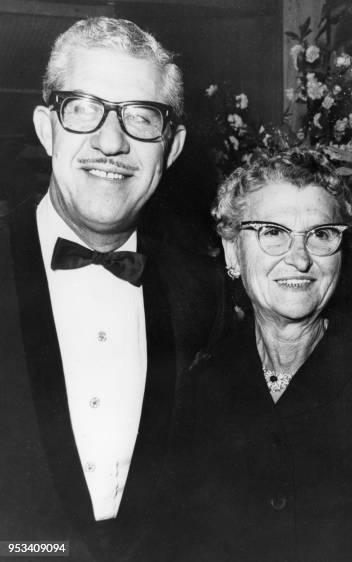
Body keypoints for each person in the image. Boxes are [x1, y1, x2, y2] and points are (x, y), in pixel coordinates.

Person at [0, 17, 225, 561]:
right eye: (83, 108)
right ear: (46, 127)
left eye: (142, 117)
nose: (111, 141)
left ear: (170, 150)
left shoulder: (203, 287)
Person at [158, 149, 352, 561]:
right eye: (272, 232)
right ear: (233, 252)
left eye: (321, 234)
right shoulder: (202, 383)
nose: (300, 257)